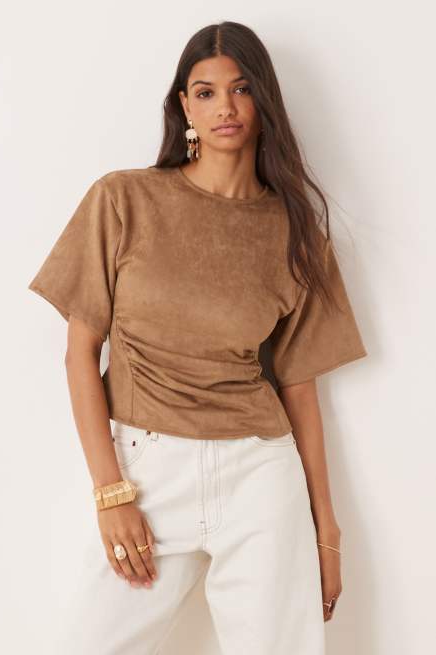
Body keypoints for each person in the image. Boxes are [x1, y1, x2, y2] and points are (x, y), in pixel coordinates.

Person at [28, 20, 368, 655]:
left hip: (260, 474)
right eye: (206, 92)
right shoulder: (124, 199)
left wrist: (327, 529)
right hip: (148, 470)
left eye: (241, 88)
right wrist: (111, 492)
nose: (225, 107)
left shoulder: (296, 233)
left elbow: (299, 386)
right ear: (184, 106)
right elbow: (80, 352)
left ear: (263, 99)